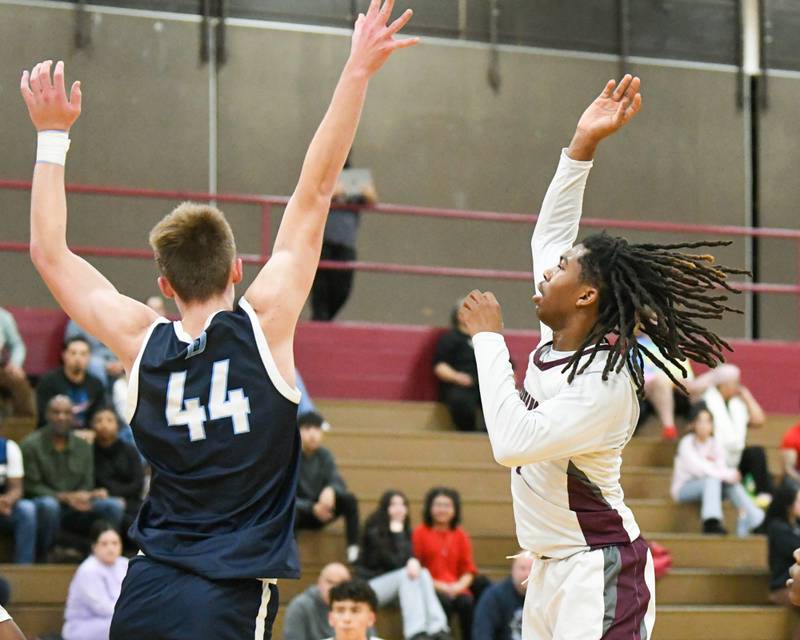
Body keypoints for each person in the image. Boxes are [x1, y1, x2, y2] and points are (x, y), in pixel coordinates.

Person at [20, 5, 417, 637]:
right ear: (236, 271)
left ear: (164, 286)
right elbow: (316, 191)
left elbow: (48, 252)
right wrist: (357, 70)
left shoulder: (138, 340)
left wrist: (50, 134)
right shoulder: (265, 324)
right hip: (227, 594)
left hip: (145, 589)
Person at [459, 74, 747, 639]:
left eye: (563, 268)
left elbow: (511, 443)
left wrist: (488, 341)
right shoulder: (555, 347)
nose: (547, 269)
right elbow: (550, 234)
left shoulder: (605, 386)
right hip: (547, 572)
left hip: (601, 570)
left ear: (588, 296)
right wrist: (582, 146)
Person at [21, 395, 124, 559]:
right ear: (47, 415)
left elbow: (87, 482)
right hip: (49, 505)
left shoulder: (83, 446)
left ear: (73, 417)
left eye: (66, 413)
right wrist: (64, 497)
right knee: (49, 506)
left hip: (77, 505)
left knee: (113, 506)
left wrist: (85, 495)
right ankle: (45, 556)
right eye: (56, 412)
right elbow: (31, 486)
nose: (61, 417)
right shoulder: (31, 445)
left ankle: (105, 555)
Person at [356, 490, 450, 640]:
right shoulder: (374, 532)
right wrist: (398, 534)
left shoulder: (406, 532)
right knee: (408, 574)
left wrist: (412, 560)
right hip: (369, 587)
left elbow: (408, 563)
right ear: (385, 508)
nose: (399, 508)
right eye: (394, 504)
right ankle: (415, 633)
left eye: (402, 504)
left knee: (423, 572)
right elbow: (394, 563)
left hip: (398, 586)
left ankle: (439, 629)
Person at [671, 403, 764, 536]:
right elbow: (698, 469)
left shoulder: (715, 443)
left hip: (712, 487)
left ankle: (757, 521)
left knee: (730, 484)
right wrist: (728, 474)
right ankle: (711, 522)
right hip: (684, 488)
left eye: (708, 421)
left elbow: (721, 467)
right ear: (693, 424)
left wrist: (728, 476)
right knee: (713, 479)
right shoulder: (686, 443)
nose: (704, 425)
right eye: (700, 421)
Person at [311, 157, 378, 321]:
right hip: (322, 242)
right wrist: (352, 187)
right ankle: (320, 321)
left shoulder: (355, 175)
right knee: (320, 289)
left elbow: (371, 195)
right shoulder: (322, 174)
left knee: (342, 288)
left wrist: (342, 186)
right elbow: (322, 191)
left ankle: (325, 321)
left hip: (345, 243)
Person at [412, 487, 480, 640]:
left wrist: (458, 587)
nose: (442, 509)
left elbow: (468, 570)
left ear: (455, 509)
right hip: (430, 587)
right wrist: (440, 586)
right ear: (430, 508)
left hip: (456, 588)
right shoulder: (420, 533)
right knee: (443, 603)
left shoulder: (460, 535)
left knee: (467, 603)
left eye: (447, 505)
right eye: (438, 505)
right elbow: (417, 568)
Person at [702, 364, 773, 505]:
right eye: (736, 383)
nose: (738, 387)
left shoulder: (737, 404)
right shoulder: (706, 402)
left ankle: (763, 494)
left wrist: (747, 397)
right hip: (714, 458)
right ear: (723, 384)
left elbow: (759, 420)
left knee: (756, 452)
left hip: (735, 456)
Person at [296, 411, 360, 563]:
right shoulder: (290, 456)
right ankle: (289, 551)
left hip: (325, 509)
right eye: (307, 429)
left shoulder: (325, 455)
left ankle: (353, 547)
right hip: (302, 512)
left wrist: (331, 489)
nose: (313, 434)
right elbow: (285, 496)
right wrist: (311, 508)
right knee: (287, 511)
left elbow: (338, 481)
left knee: (349, 500)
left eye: (317, 429)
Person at [62, 521, 128, 640]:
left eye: (115, 543)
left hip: (116, 618)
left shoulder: (125, 564)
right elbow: (102, 608)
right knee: (127, 626)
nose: (110, 548)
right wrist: (132, 612)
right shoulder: (88, 570)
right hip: (85, 625)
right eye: (104, 544)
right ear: (94, 546)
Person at [91, 408, 144, 537]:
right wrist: (111, 497)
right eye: (99, 421)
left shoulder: (130, 450)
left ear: (117, 426)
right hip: (103, 501)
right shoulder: (89, 452)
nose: (104, 425)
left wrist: (119, 496)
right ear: (92, 426)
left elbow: (138, 483)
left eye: (109, 420)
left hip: (131, 500)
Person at [35, 336, 105, 430]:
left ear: (89, 357)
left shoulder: (96, 385)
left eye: (83, 354)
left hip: (87, 438)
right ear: (64, 355)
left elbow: (98, 416)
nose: (78, 358)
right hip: (54, 435)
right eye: (73, 353)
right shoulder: (48, 382)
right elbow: (43, 418)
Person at [433, 302, 483, 432]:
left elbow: (508, 364)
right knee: (459, 400)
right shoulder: (450, 338)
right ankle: (469, 434)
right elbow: (440, 365)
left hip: (485, 384)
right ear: (459, 316)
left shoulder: (486, 338)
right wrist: (457, 377)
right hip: (461, 385)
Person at [472, 554, 533, 640]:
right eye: (522, 568)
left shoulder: (546, 598)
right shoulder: (494, 596)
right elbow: (482, 633)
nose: (527, 574)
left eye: (532, 568)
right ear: (513, 571)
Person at [283, 562, 351, 640]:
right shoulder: (300, 606)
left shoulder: (359, 607)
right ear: (319, 581)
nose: (334, 588)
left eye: (340, 584)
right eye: (330, 582)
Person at [0, 422, 37, 563]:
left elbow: (17, 488)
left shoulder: (9, 448)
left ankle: (24, 568)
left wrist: (6, 501)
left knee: (27, 509)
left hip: (3, 508)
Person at [65, 320, 124, 390]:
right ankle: (102, 397)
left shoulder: (116, 316)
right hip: (93, 358)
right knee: (94, 364)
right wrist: (105, 365)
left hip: (119, 357)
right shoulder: (78, 317)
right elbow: (73, 344)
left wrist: (123, 362)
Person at [0, 307, 34, 419]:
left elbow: (17, 345)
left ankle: (23, 427)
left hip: (1, 369)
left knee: (18, 381)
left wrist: (15, 364)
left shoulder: (3, 316)